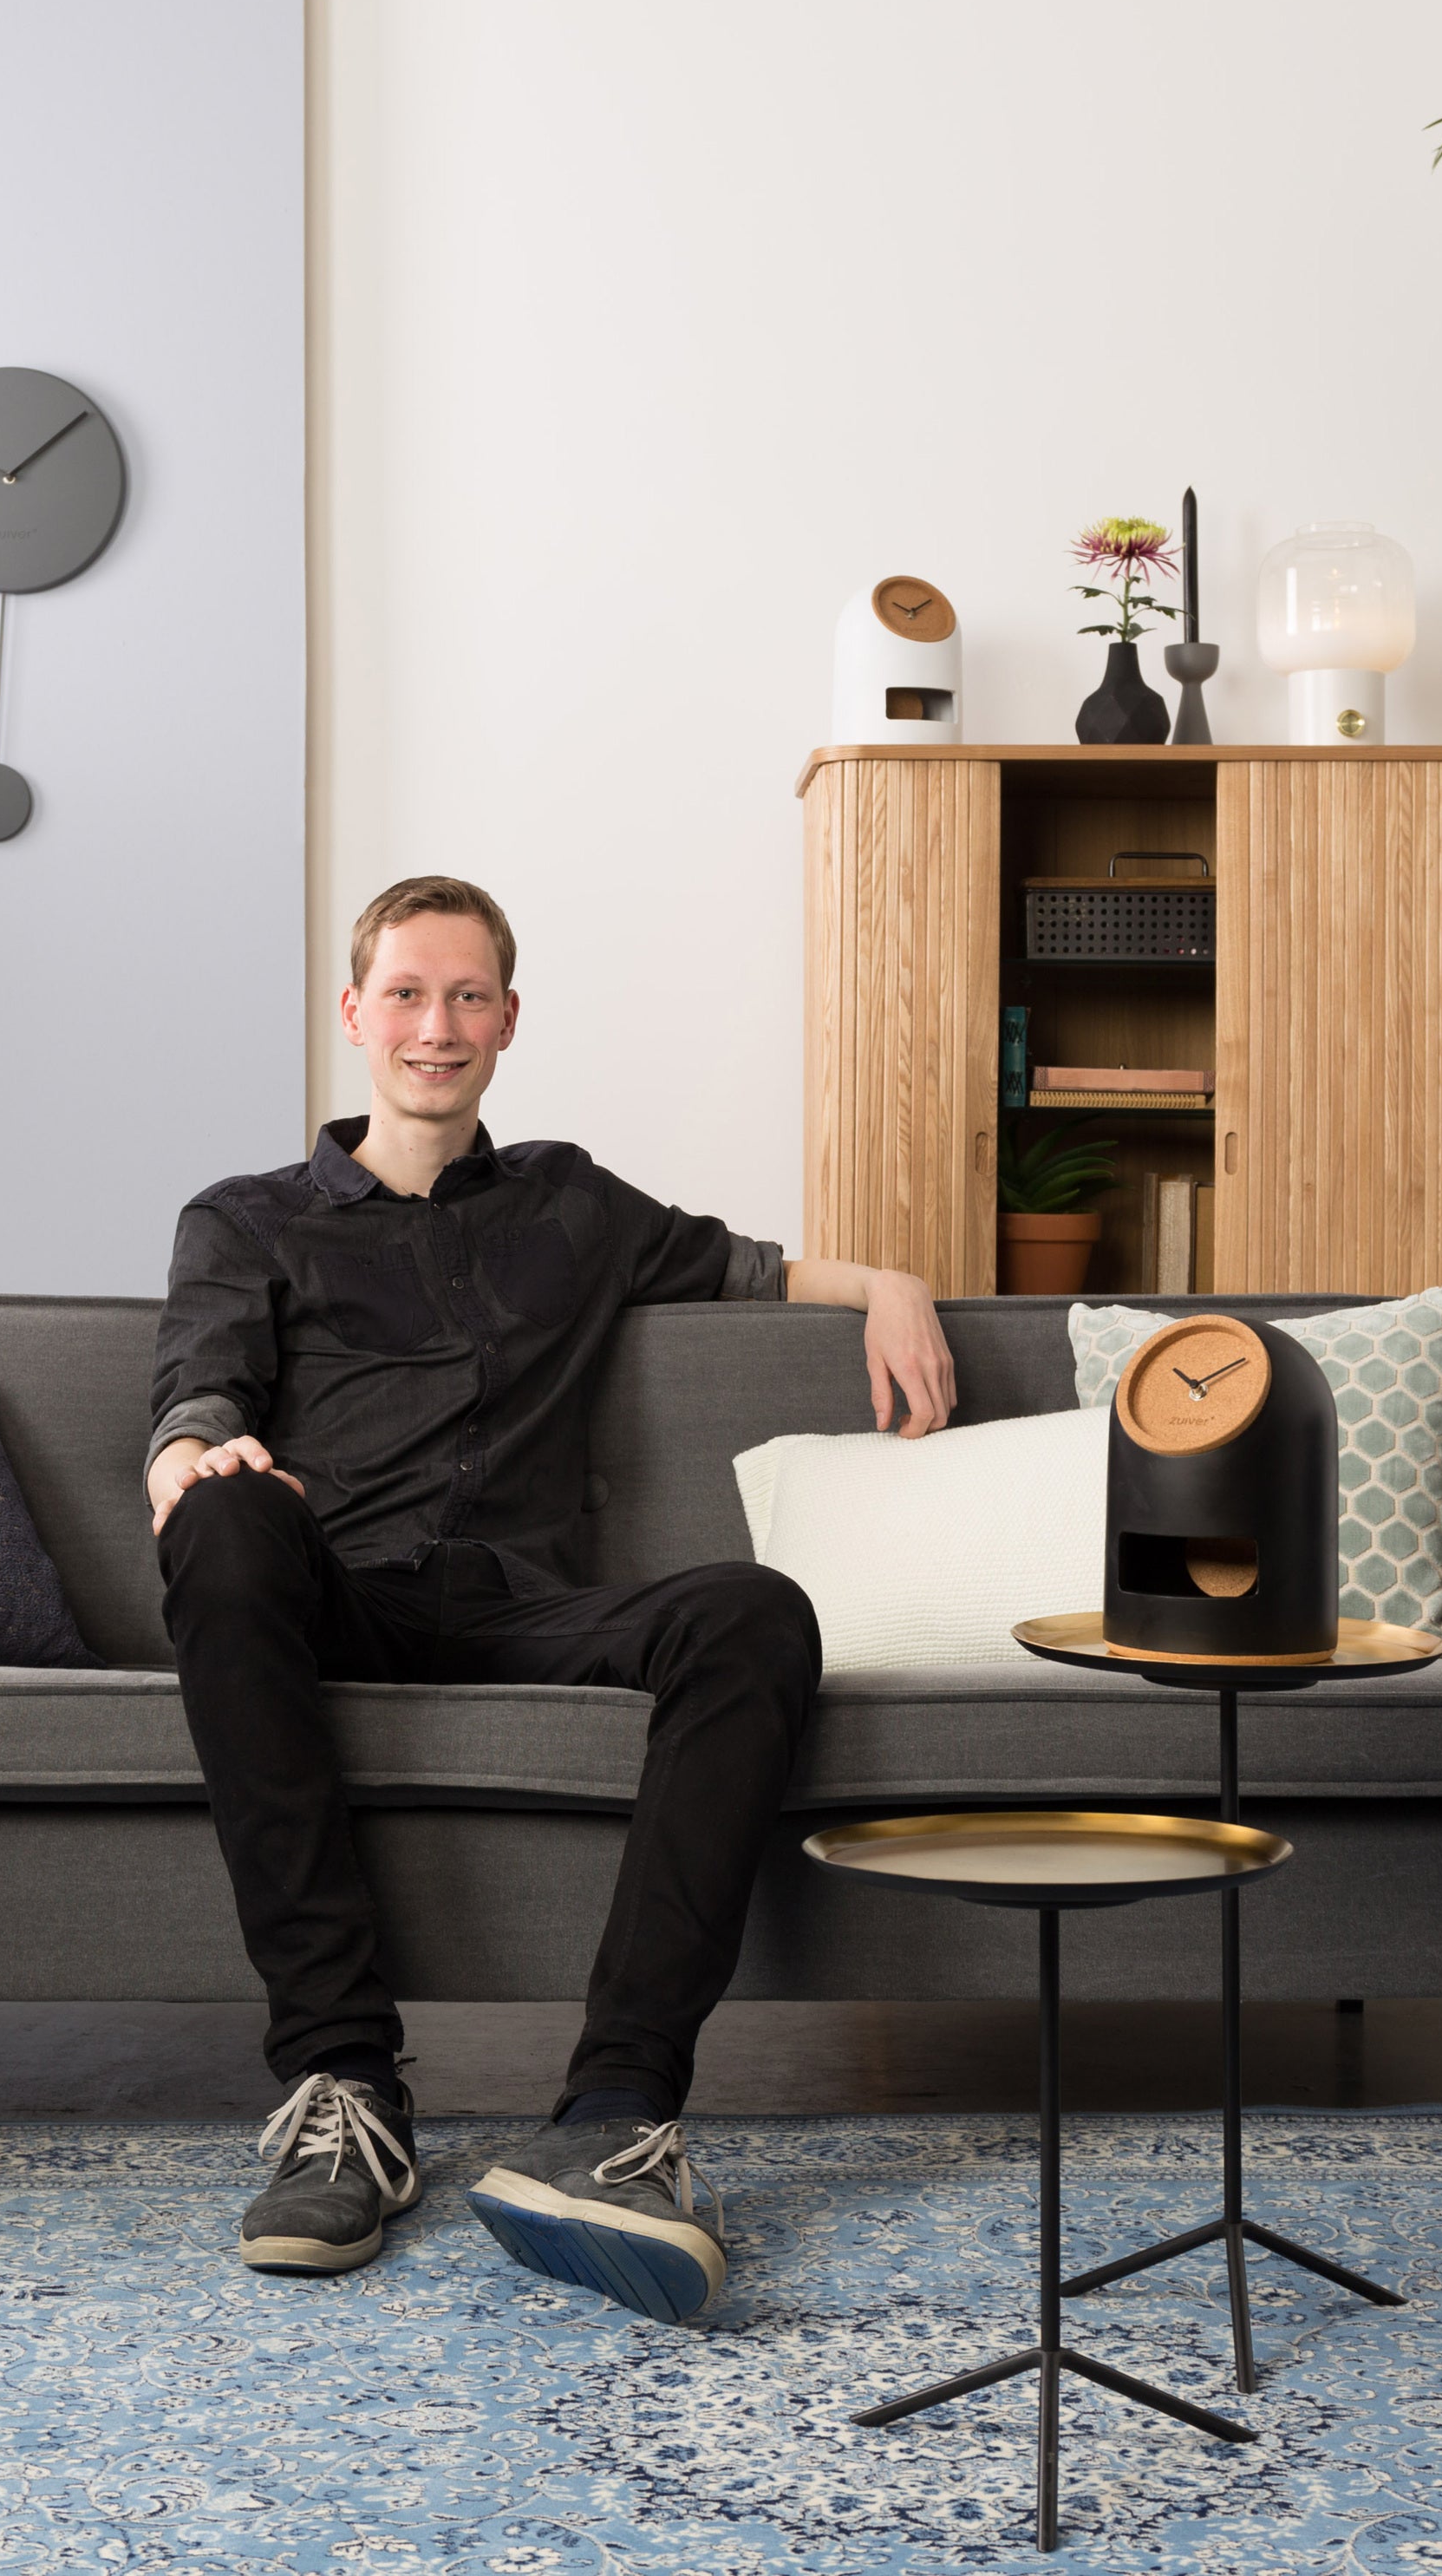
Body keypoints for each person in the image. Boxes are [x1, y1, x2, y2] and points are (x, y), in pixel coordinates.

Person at [147, 873, 956, 2324]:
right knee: (222, 1520)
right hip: (337, 1592)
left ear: (508, 1020)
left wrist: (888, 1282)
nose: (436, 1026)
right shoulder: (247, 1219)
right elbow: (197, 1392)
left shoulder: (574, 1204)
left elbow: (752, 1265)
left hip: (522, 1607)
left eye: (467, 997)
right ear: (355, 1013)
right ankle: (346, 2088)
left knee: (755, 1609)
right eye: (407, 994)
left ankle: (614, 2117)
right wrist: (190, 1466)